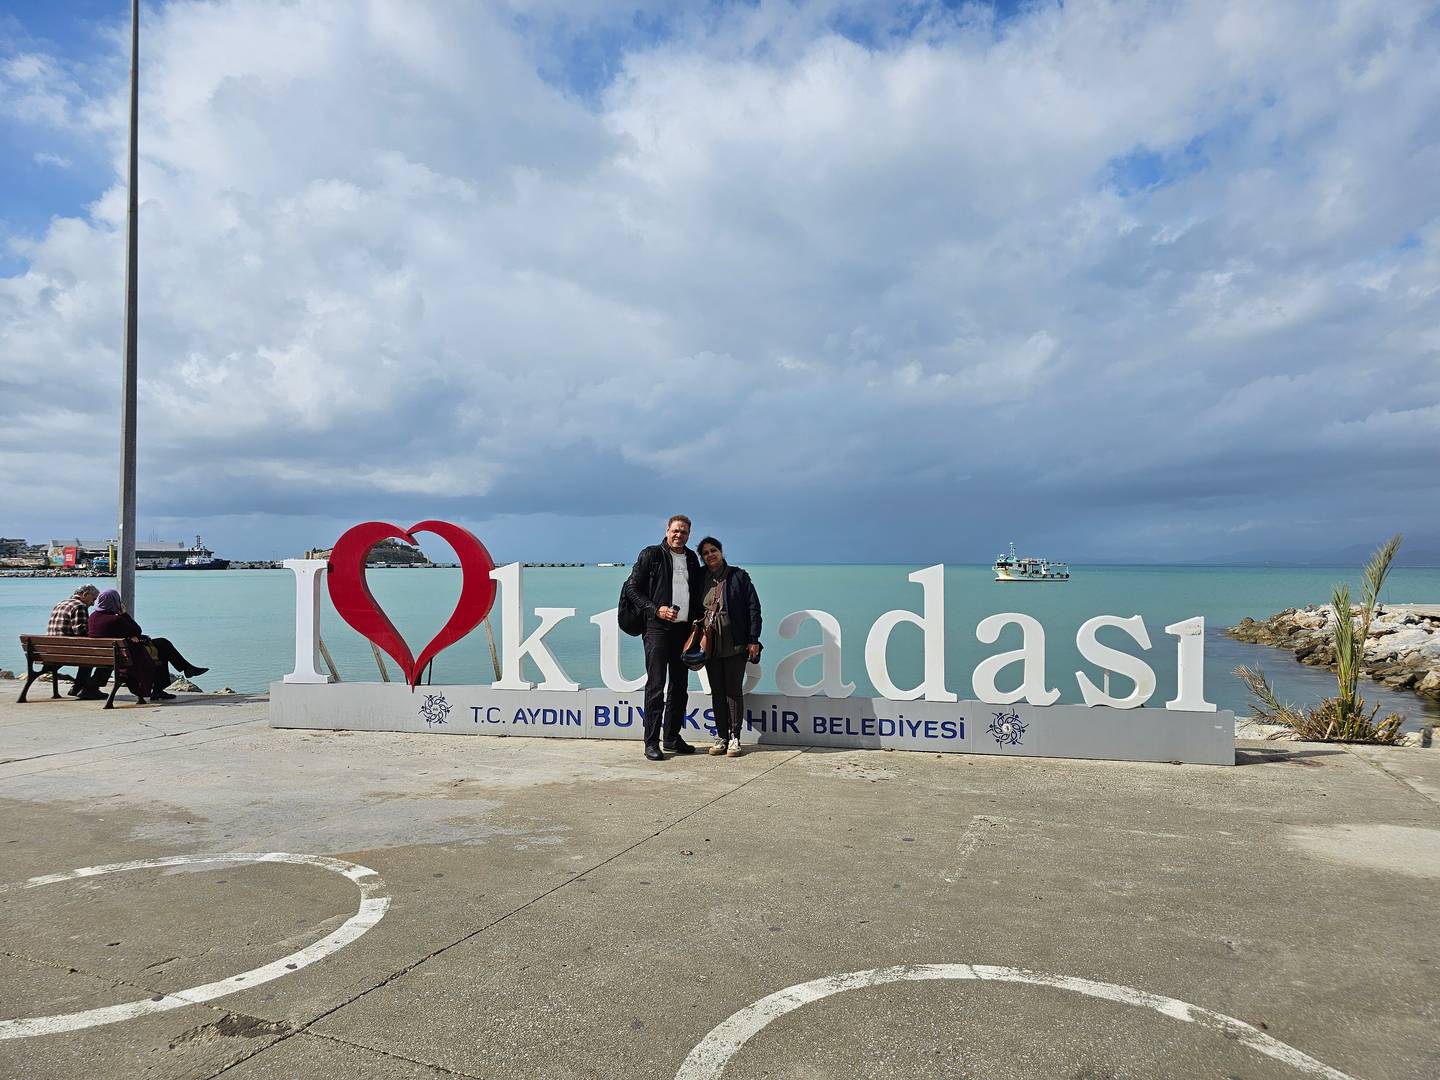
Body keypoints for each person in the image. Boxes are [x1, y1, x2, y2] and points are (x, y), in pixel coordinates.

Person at [623, 514, 703, 760]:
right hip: (656, 629)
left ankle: (671, 737)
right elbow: (631, 589)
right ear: (667, 530)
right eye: (675, 530)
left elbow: (695, 591)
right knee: (656, 686)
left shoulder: (691, 558)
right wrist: (655, 609)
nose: (679, 535)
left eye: (684, 532)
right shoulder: (651, 554)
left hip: (683, 630)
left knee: (680, 687)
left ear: (689, 535)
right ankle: (651, 742)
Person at [695, 537, 762, 757]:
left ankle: (735, 738)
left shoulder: (738, 576)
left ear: (721, 551)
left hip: (735, 643)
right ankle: (722, 737)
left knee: (733, 691)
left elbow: (753, 608)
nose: (710, 555)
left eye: (713, 550)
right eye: (705, 553)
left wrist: (753, 639)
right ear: (702, 558)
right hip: (710, 644)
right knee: (717, 692)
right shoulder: (699, 578)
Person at [87, 590, 207, 703]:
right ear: (114, 602)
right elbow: (137, 630)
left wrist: (131, 636)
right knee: (163, 648)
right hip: (127, 656)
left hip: (109, 655)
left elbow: (121, 633)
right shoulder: (116, 619)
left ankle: (186, 670)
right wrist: (124, 614)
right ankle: (163, 686)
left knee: (162, 645)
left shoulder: (93, 617)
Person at [46, 584, 108, 700]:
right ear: (85, 595)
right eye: (93, 599)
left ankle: (78, 687)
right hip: (68, 652)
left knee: (86, 654)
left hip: (51, 652)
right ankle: (80, 688)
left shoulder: (60, 603)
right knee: (93, 655)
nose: (93, 604)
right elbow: (81, 632)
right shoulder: (79, 606)